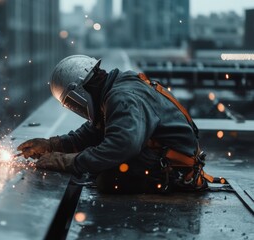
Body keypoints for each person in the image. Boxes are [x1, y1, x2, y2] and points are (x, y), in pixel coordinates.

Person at [16, 55, 214, 193]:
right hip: (167, 158)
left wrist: (66, 162)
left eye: (72, 103)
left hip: (176, 170)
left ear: (79, 93)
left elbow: (121, 146)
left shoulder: (122, 98)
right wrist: (51, 145)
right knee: (98, 165)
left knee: (109, 179)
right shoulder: (113, 88)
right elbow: (92, 133)